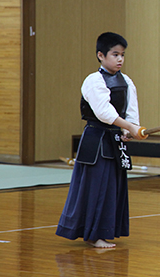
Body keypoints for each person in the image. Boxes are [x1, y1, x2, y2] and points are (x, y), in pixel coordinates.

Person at [56, 32, 142, 248]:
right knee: (97, 186)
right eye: (115, 54)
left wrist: (131, 128)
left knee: (113, 186)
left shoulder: (127, 81)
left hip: (115, 139)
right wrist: (128, 126)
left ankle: (106, 230)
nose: (120, 59)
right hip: (96, 140)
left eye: (122, 55)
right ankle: (93, 234)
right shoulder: (93, 80)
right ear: (101, 55)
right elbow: (104, 112)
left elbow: (131, 110)